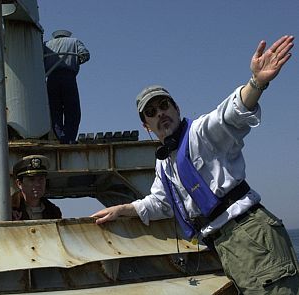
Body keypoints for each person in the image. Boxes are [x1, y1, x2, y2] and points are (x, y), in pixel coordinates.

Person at [91, 35, 298, 294]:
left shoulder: (201, 132)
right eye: (151, 113)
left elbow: (231, 114)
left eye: (164, 105)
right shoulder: (165, 165)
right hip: (225, 245)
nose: (160, 114)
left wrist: (256, 83)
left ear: (177, 108)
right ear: (146, 126)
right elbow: (161, 203)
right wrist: (123, 209)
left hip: (250, 233)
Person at [0, 155, 62, 222]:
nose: (37, 184)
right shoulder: (3, 208)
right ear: (19, 183)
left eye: (41, 179)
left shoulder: (53, 211)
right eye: (31, 180)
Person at [44, 30, 90, 144]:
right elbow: (85, 55)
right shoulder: (74, 41)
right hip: (68, 77)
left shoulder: (46, 44)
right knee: (72, 110)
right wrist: (75, 61)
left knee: (55, 110)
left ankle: (60, 137)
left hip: (51, 78)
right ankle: (69, 138)